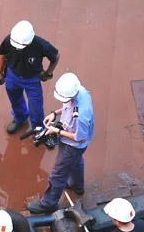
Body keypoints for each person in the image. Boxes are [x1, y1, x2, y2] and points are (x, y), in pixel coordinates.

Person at [27, 72, 95, 213]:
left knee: (58, 174)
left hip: (73, 145)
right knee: (76, 161)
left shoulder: (82, 115)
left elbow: (79, 137)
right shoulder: (81, 92)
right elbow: (68, 106)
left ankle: (48, 203)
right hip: (76, 145)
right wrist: (55, 113)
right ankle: (77, 185)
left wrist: (56, 131)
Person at [0, 20, 60, 135]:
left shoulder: (40, 44)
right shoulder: (9, 39)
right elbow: (2, 53)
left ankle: (38, 127)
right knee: (14, 99)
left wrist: (48, 73)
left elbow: (55, 56)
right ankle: (20, 117)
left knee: (35, 105)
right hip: (12, 75)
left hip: (32, 79)